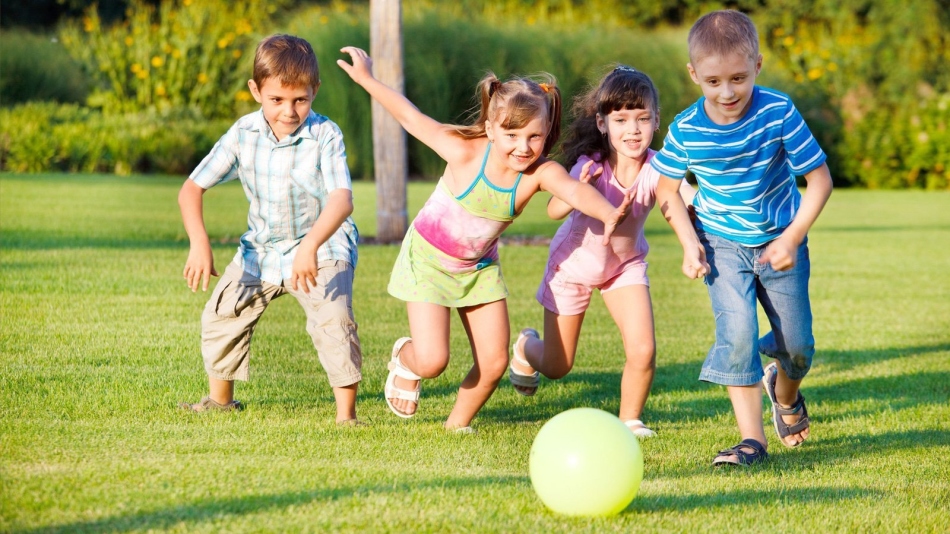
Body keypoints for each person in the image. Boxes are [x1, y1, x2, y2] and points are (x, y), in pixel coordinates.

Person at [337, 46, 632, 432]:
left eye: (534, 136)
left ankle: (455, 426)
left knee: (493, 363)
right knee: (433, 360)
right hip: (427, 261)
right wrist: (367, 79)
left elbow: (574, 191)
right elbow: (410, 117)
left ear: (546, 134)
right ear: (491, 129)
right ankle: (408, 360)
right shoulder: (462, 151)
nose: (523, 147)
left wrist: (609, 213)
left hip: (478, 270)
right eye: (511, 134)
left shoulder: (538, 173)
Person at [651, 10, 833, 466]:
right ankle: (752, 440)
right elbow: (665, 188)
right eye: (713, 81)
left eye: (738, 77)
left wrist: (792, 238)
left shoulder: (777, 111)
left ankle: (785, 392)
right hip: (722, 245)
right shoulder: (687, 128)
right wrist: (690, 243)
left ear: (758, 65)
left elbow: (820, 179)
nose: (727, 92)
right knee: (736, 335)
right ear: (694, 74)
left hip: (779, 242)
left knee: (798, 346)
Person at [178, 34, 365, 426]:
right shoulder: (243, 134)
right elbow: (192, 188)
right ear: (256, 90)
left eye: (301, 99)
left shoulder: (325, 135)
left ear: (315, 90)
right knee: (223, 313)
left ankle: (346, 417)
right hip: (262, 250)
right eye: (277, 99)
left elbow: (342, 200)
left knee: (333, 319)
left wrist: (311, 244)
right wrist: (199, 242)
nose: (289, 111)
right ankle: (220, 402)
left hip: (323, 245)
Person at [508, 65, 695, 439]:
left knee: (643, 349)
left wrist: (700, 230)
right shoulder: (589, 165)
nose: (633, 129)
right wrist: (576, 186)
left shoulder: (659, 167)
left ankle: (630, 421)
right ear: (602, 123)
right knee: (558, 366)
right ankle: (526, 347)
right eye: (621, 119)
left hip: (623, 267)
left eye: (643, 118)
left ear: (657, 120)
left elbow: (682, 200)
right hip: (572, 267)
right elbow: (554, 210)